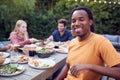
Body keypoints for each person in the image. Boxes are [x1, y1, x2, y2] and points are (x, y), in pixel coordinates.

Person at [55, 6, 120, 80]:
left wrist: (90, 66)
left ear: (90, 22)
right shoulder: (73, 42)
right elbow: (67, 65)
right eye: (73, 21)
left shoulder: (101, 42)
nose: (76, 23)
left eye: (81, 19)